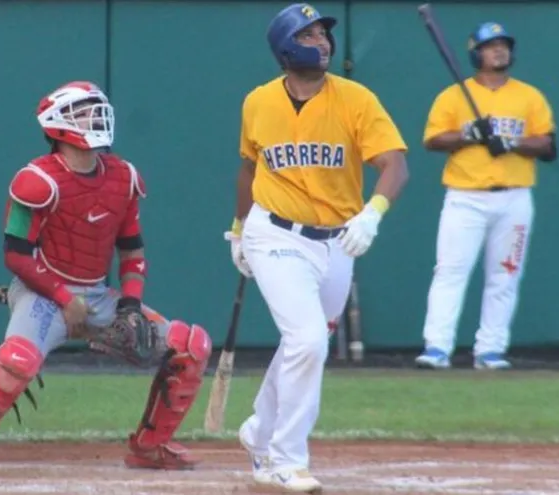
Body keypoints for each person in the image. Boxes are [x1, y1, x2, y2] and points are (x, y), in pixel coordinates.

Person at [0, 81, 212, 479]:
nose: (95, 117)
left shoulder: (123, 176)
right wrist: (64, 297)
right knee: (17, 362)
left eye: (97, 109)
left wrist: (130, 306)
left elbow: (132, 252)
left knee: (191, 345)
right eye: (83, 111)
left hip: (97, 293)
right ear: (57, 123)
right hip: (43, 290)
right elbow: (15, 255)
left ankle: (150, 447)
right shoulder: (36, 180)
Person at [225, 3, 409, 492]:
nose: (323, 41)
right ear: (286, 47)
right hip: (276, 233)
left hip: (337, 242)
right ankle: (285, 459)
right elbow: (250, 167)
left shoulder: (355, 99)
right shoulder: (258, 102)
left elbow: (394, 165)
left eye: (324, 34)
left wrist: (373, 214)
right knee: (308, 340)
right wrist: (240, 228)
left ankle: (258, 432)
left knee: (300, 344)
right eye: (309, 34)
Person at [414, 22, 556, 371]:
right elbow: (432, 140)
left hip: (514, 196)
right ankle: (437, 347)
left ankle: (490, 349)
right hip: (465, 197)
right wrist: (470, 135)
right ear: (475, 51)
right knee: (450, 271)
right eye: (491, 45)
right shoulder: (454, 95)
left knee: (505, 274)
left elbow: (548, 145)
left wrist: (510, 142)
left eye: (503, 45)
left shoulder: (529, 96)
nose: (499, 50)